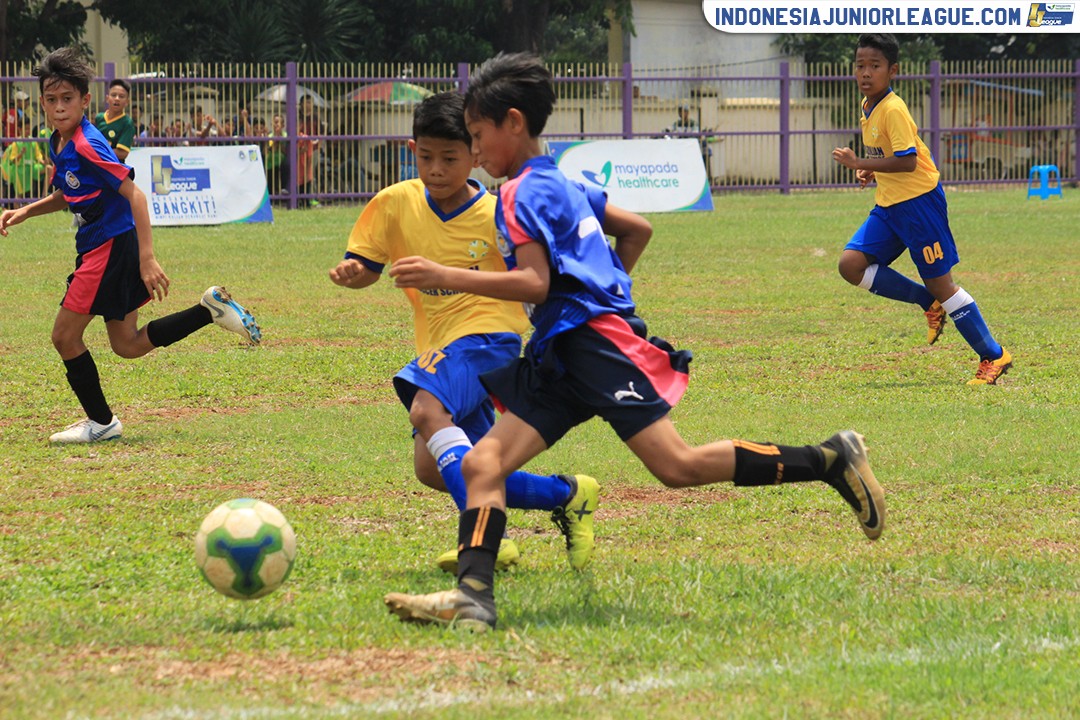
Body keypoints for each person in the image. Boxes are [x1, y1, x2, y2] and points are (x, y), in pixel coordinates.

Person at [384, 53, 886, 632]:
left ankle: (828, 459)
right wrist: (606, 290)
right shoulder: (564, 183)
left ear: (513, 124)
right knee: (485, 462)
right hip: (562, 349)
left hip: (593, 347)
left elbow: (534, 283)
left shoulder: (520, 194)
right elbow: (637, 229)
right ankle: (473, 598)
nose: (473, 154)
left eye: (477, 137)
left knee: (678, 466)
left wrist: (447, 275)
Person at [329, 91, 606, 574]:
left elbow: (533, 278)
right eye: (425, 156)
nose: (435, 169)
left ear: (474, 155)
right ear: (411, 148)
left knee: (426, 406)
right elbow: (370, 264)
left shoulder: (498, 213)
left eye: (450, 158)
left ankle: (484, 542)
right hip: (440, 345)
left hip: (491, 339)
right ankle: (569, 494)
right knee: (437, 468)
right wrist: (356, 272)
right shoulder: (395, 203)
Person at [0, 47, 263, 444]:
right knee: (126, 344)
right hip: (102, 244)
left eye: (67, 99)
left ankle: (102, 423)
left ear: (85, 101)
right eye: (51, 100)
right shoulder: (58, 140)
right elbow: (68, 192)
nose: (58, 108)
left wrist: (147, 258)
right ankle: (209, 310)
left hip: (109, 246)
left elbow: (135, 196)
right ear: (42, 102)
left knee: (64, 337)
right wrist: (25, 211)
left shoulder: (89, 143)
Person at [831, 34, 1011, 386]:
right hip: (889, 207)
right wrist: (872, 168)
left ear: (892, 70)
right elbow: (894, 152)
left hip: (918, 205)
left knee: (943, 284)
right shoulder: (868, 105)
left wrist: (859, 161)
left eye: (875, 66)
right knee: (850, 265)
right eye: (860, 65)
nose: (865, 73)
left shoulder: (894, 108)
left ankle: (994, 354)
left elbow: (910, 162)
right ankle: (926, 301)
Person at [1, 113, 45, 197]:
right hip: (20, 170)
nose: (28, 131)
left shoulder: (32, 141)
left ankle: (44, 195)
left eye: (29, 128)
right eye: (26, 129)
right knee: (19, 195)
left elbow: (38, 155)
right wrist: (20, 154)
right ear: (19, 129)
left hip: (31, 168)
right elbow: (13, 160)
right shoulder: (16, 143)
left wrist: (42, 161)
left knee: (49, 168)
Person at [94, 78, 136, 161]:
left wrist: (99, 151)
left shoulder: (127, 123)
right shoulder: (99, 118)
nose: (117, 99)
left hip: (114, 169)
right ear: (107, 98)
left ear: (127, 102)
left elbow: (123, 153)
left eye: (121, 96)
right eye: (113, 95)